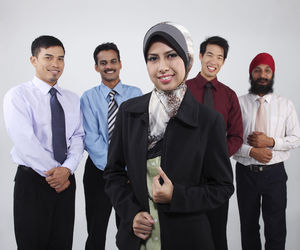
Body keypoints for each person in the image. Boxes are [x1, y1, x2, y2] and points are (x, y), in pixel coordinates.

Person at [104, 22, 234, 250]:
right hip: (137, 241)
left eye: (171, 55)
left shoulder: (208, 121)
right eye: (153, 58)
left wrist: (177, 195)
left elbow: (222, 187)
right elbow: (113, 173)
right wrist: (131, 214)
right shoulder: (129, 112)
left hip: (188, 239)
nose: (162, 66)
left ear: (187, 59)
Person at [3, 35, 84, 250]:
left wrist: (66, 169)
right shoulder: (17, 96)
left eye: (61, 58)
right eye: (48, 57)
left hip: (66, 181)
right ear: (33, 60)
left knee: (62, 242)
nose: (55, 64)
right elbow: (24, 140)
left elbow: (78, 137)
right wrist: (55, 172)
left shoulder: (72, 99)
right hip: (33, 182)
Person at [234, 52, 300, 250]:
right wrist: (251, 151)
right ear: (251, 74)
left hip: (275, 175)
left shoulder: (285, 104)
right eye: (257, 70)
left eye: (267, 70)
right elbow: (229, 140)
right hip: (246, 174)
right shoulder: (238, 103)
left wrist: (270, 141)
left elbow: (296, 138)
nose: (262, 75)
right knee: (248, 227)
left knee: (276, 228)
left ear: (272, 74)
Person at [80, 42, 142, 250]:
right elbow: (91, 138)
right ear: (96, 67)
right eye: (103, 63)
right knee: (96, 230)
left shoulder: (136, 94)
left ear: (120, 64)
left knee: (128, 230)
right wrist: (114, 167)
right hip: (99, 172)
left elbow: (138, 134)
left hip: (130, 172)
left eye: (113, 61)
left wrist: (127, 168)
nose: (109, 66)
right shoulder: (88, 98)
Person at [186, 36, 243, 250]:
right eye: (210, 54)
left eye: (220, 57)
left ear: (224, 62)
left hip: (217, 175)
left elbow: (236, 136)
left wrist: (215, 157)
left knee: (217, 234)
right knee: (187, 234)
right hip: (187, 174)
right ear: (200, 57)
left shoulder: (229, 96)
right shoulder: (184, 89)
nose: (214, 61)